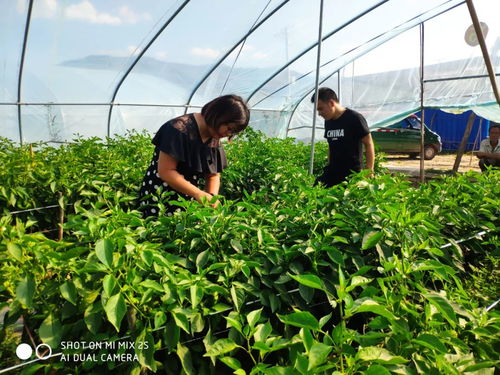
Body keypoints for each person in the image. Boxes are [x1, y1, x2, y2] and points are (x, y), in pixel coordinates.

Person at [138, 94, 250, 217]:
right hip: (160, 196)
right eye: (229, 128)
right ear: (218, 116)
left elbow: (213, 175)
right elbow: (166, 171)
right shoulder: (177, 130)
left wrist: (211, 199)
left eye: (233, 132)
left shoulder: (213, 135)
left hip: (188, 198)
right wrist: (199, 194)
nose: (228, 134)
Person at [311, 87, 375, 187]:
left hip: (351, 175)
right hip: (333, 172)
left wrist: (369, 170)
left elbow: (368, 143)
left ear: (331, 103)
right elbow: (331, 145)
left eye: (320, 109)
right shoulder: (328, 121)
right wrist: (329, 164)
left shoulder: (354, 118)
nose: (319, 113)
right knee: (314, 191)